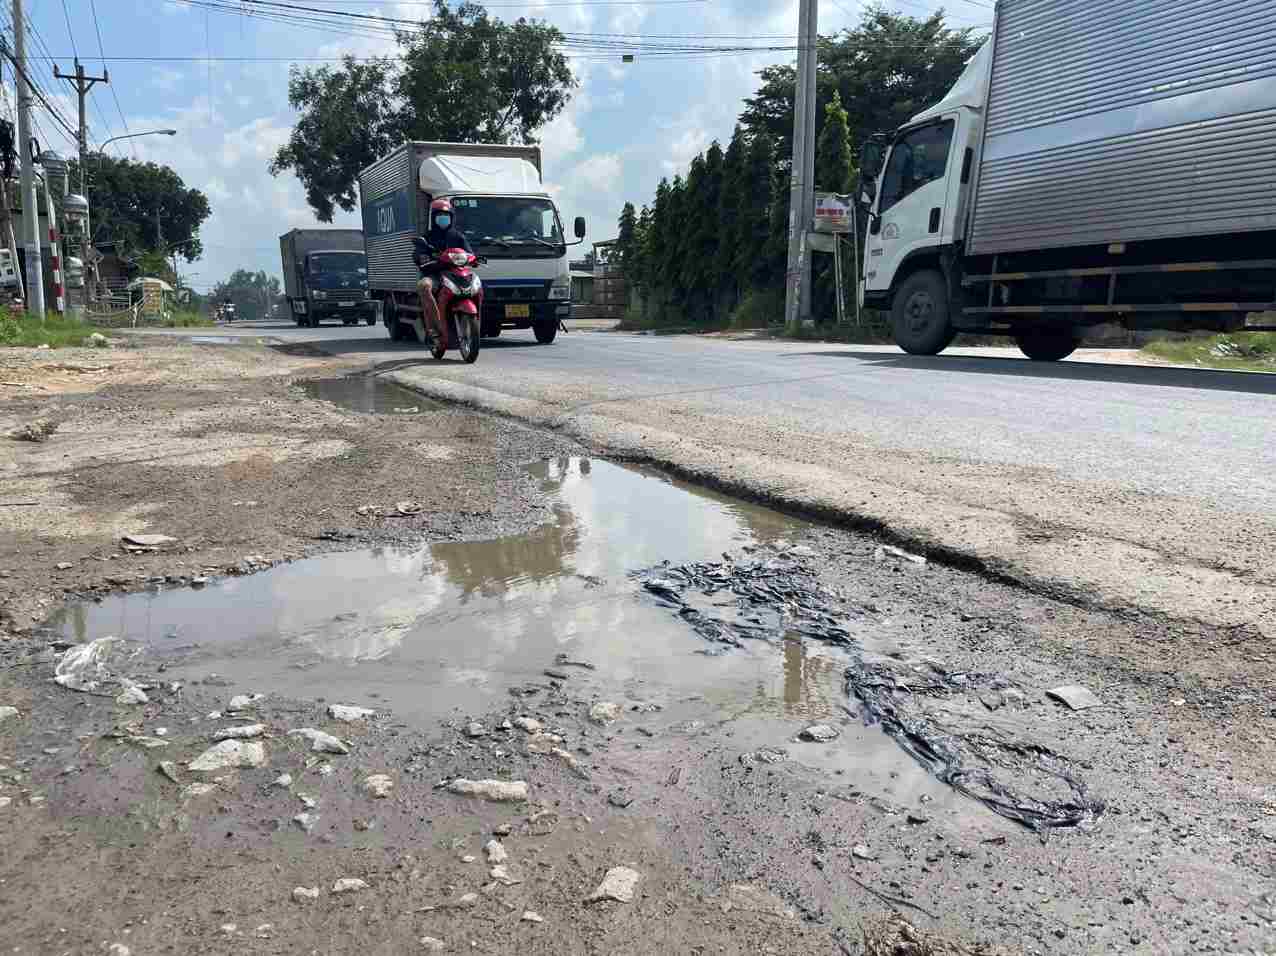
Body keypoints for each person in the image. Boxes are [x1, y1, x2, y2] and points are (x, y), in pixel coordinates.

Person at [415, 198, 472, 347]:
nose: (443, 218)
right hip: (434, 274)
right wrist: (421, 257)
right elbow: (418, 253)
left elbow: (469, 253)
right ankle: (434, 328)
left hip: (455, 273)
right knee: (424, 286)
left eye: (446, 215)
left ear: (451, 217)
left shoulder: (458, 236)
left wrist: (473, 258)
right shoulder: (427, 237)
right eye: (439, 215)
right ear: (433, 217)